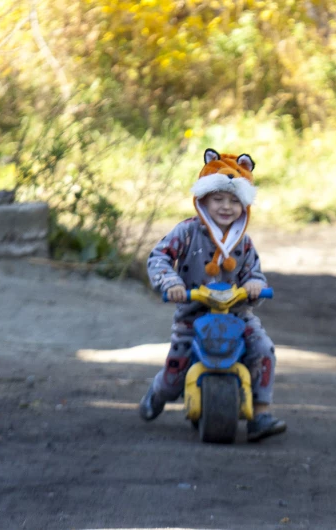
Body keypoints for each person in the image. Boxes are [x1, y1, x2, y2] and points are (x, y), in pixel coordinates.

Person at [139, 148, 286, 442]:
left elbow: (254, 273)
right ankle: (159, 391)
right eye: (218, 198)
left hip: (237, 314)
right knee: (174, 375)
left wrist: (255, 286)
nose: (225, 207)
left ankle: (260, 413)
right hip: (193, 315)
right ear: (203, 199)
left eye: (234, 200)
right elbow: (159, 258)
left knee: (264, 350)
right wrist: (171, 284)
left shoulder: (243, 243)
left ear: (244, 205)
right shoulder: (186, 232)